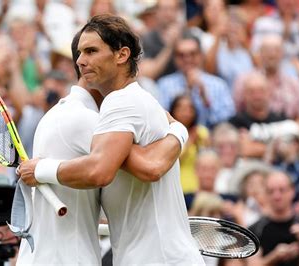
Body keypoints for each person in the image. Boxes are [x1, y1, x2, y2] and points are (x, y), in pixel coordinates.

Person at [19, 14, 204, 265]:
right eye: (80, 53)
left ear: (122, 55)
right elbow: (141, 179)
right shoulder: (139, 102)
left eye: (92, 51)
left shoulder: (121, 101)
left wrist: (40, 168)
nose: (81, 61)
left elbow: (105, 170)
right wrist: (179, 131)